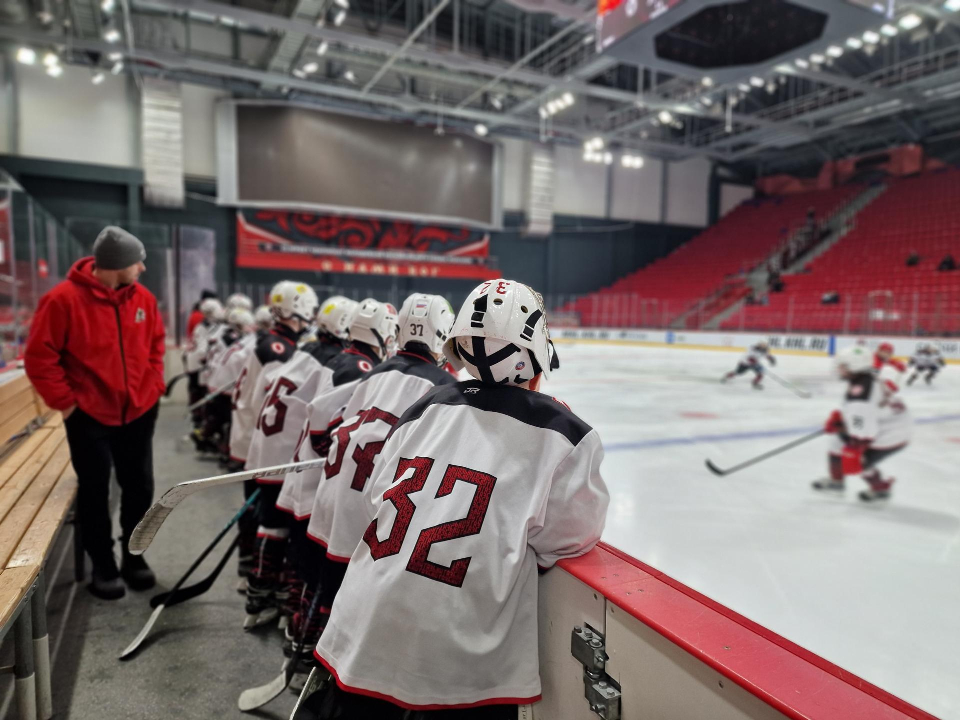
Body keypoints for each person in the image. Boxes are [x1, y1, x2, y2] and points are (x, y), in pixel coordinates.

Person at [302, 279, 607, 717]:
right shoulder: (566, 434)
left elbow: (377, 497)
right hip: (461, 653)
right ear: (537, 350)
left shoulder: (424, 406)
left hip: (363, 622)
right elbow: (568, 539)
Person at [285, 294, 456, 670]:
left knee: (321, 577)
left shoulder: (375, 370)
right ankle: (325, 664)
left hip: (332, 490)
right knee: (349, 592)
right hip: (368, 502)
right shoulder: (444, 386)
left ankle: (303, 640)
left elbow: (321, 419)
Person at [24, 226, 166, 599]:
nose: (142, 268)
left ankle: (134, 558)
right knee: (94, 490)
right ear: (118, 265)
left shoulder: (144, 300)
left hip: (138, 410)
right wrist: (69, 405)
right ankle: (102, 564)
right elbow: (40, 358)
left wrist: (154, 385)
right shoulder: (62, 300)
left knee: (140, 487)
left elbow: (156, 345)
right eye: (137, 261)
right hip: (88, 416)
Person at [242, 296, 387, 629]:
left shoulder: (316, 353)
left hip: (286, 456)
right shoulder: (357, 367)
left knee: (276, 529)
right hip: (312, 469)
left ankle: (265, 595)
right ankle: (293, 614)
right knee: (305, 554)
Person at [228, 281, 319, 591]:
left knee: (256, 508)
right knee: (262, 512)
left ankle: (249, 567)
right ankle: (253, 572)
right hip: (261, 440)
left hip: (249, 433)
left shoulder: (268, 341)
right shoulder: (281, 350)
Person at [814, 346, 911, 502]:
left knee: (858, 461)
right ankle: (836, 482)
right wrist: (842, 418)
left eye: (843, 366)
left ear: (855, 366)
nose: (839, 369)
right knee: (837, 442)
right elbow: (865, 413)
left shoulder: (860, 397)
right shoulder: (866, 378)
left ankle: (880, 489)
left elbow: (862, 430)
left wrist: (854, 447)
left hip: (891, 434)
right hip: (890, 424)